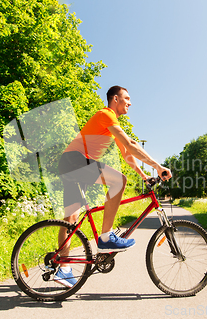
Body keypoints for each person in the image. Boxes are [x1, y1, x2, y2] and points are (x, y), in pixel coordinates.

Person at [54, 85, 172, 287]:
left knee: (71, 219)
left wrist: (144, 176)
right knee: (119, 180)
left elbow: (127, 154)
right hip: (76, 161)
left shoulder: (111, 123)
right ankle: (106, 237)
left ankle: (62, 268)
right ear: (115, 99)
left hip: (70, 163)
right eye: (126, 98)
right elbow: (132, 145)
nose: (130, 102)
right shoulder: (106, 114)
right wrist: (158, 167)